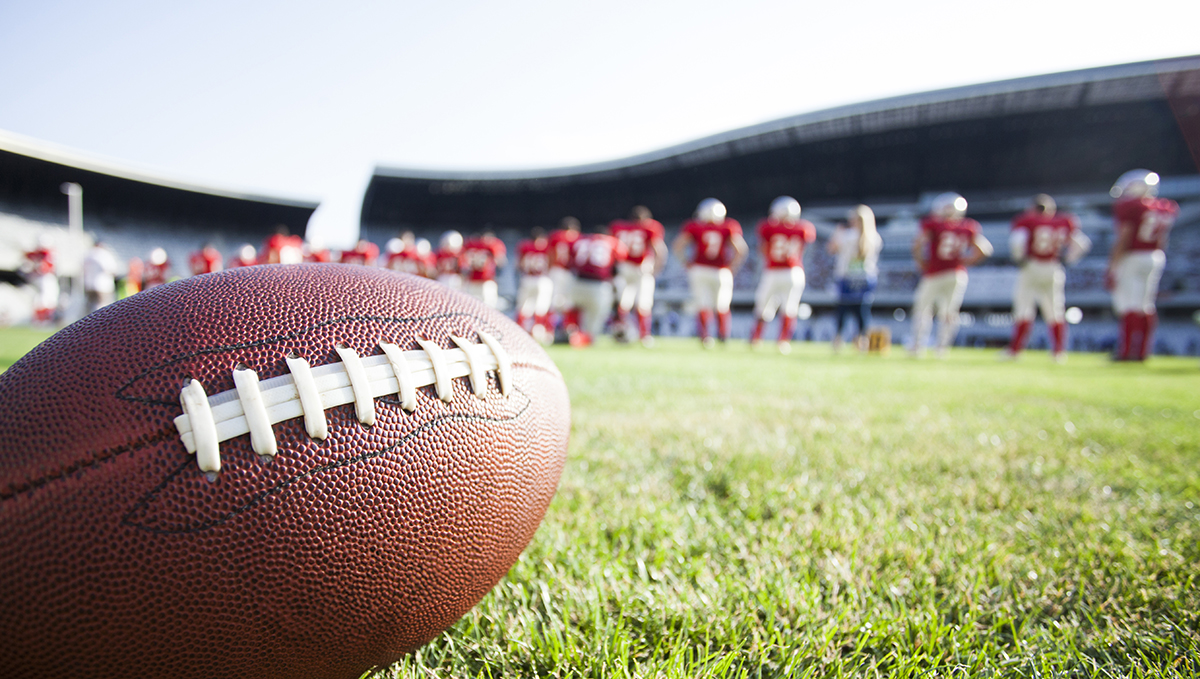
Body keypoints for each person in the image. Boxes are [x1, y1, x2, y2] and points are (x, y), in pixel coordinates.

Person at [1002, 194, 1091, 362]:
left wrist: (1019, 258)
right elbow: (1082, 244)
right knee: (1055, 310)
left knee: (1023, 309)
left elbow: (1017, 241)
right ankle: (1058, 351)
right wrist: (1068, 259)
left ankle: (1015, 350)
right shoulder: (1063, 222)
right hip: (1053, 266)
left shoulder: (1027, 221)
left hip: (1032, 266)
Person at [909, 192, 993, 358]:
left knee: (923, 310)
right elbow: (985, 249)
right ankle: (941, 348)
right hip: (956, 273)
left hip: (934, 272)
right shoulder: (968, 226)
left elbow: (918, 244)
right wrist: (965, 261)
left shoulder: (933, 225)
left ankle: (918, 346)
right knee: (949, 313)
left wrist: (921, 262)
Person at [1107, 169, 1178, 361]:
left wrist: (1112, 266)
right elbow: (1162, 239)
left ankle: (1127, 350)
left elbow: (1125, 236)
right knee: (1146, 305)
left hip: (1133, 256)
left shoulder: (1133, 207)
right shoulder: (1164, 207)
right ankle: (1143, 351)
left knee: (1129, 305)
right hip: (1155, 256)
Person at [672, 198, 748, 347]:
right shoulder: (729, 226)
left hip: (699, 269)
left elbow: (678, 245)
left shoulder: (694, 226)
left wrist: (686, 263)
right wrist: (732, 267)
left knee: (703, 304)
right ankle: (723, 335)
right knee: (722, 305)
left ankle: (706, 337)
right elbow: (741, 250)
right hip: (721, 271)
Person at [749, 196, 815, 353]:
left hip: (773, 271)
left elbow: (763, 249)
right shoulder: (804, 228)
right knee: (789, 308)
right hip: (794, 272)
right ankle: (783, 341)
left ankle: (757, 338)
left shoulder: (767, 227)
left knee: (762, 306)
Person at [828, 204, 883, 353]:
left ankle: (838, 341)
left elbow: (832, 249)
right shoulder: (875, 237)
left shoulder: (847, 236)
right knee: (862, 312)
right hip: (866, 278)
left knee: (843, 311)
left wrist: (836, 233)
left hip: (846, 277)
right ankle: (862, 342)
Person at [610, 206, 667, 346]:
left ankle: (621, 332)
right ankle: (644, 335)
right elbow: (660, 251)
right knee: (643, 303)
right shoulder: (650, 228)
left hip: (623, 267)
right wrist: (656, 269)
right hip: (641, 267)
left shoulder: (619, 227)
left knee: (622, 302)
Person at [566, 226, 628, 346]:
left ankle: (569, 332)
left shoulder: (581, 240)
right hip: (598, 286)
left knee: (573, 309)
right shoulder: (612, 242)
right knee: (592, 329)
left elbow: (571, 261)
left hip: (577, 282)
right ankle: (584, 338)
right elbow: (617, 268)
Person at [515, 227, 554, 342]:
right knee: (541, 307)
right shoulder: (547, 247)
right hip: (541, 279)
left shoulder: (524, 247)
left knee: (523, 307)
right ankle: (539, 331)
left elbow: (518, 265)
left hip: (527, 278)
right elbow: (552, 262)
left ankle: (520, 331)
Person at [547, 217, 582, 332]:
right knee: (568, 302)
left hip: (555, 270)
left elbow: (549, 254)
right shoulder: (576, 238)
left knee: (552, 300)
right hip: (568, 272)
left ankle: (549, 329)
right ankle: (568, 327)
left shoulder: (555, 236)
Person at [460, 231, 507, 308]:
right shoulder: (492, 245)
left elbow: (463, 264)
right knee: (489, 307)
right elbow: (500, 262)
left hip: (472, 280)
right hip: (486, 279)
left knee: (471, 306)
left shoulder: (470, 245)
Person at [24, 235, 59, 323]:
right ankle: (43, 319)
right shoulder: (45, 252)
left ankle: (40, 319)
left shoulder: (36, 253)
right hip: (44, 276)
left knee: (41, 298)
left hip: (38, 276)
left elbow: (27, 255)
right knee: (47, 298)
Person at [82, 239, 119, 313]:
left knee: (89, 308)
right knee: (102, 308)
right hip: (102, 286)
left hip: (89, 284)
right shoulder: (103, 254)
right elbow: (112, 270)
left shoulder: (88, 254)